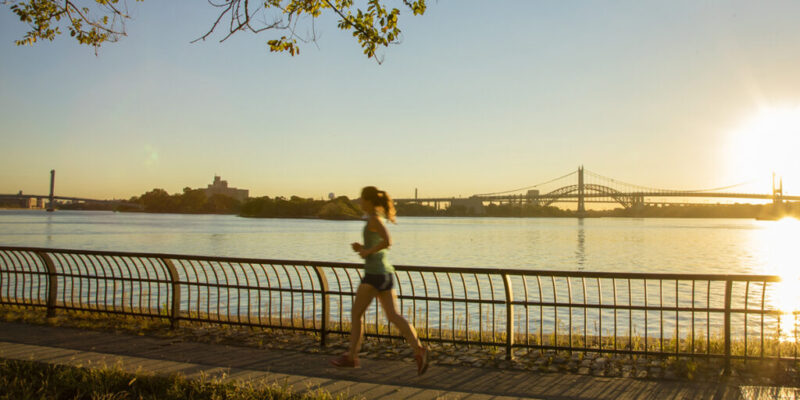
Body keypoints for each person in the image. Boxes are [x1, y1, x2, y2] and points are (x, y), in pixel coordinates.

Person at [330, 186, 429, 375]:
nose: (359, 202)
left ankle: (352, 357)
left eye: (361, 199)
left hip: (374, 274)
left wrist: (366, 251)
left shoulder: (374, 219)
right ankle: (419, 350)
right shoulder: (375, 218)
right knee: (393, 316)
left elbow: (388, 241)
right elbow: (380, 242)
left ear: (368, 201)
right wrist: (363, 247)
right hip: (385, 273)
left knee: (357, 314)